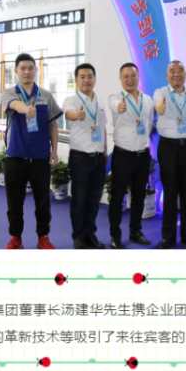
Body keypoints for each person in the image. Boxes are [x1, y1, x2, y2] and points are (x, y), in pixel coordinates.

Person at [1, 53, 62, 249]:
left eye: (30, 68)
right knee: (14, 202)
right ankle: (16, 239)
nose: (26, 72)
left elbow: (53, 124)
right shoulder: (8, 93)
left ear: (36, 70)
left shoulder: (46, 95)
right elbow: (14, 105)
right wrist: (26, 109)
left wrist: (54, 151)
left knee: (43, 202)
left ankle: (43, 237)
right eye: (23, 68)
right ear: (16, 71)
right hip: (15, 157)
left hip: (40, 158)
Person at [153, 60, 186, 249]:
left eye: (180, 70)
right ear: (167, 75)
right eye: (172, 71)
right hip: (168, 147)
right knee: (169, 193)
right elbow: (158, 104)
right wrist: (159, 107)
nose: (176, 74)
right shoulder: (161, 93)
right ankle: (168, 237)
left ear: (185, 75)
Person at [107, 63, 154, 249]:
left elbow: (148, 124)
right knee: (117, 197)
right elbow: (115, 106)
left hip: (142, 155)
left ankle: (135, 231)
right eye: (125, 76)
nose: (129, 79)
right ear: (120, 79)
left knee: (139, 196)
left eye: (133, 75)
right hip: (123, 155)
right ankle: (115, 235)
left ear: (138, 77)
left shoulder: (147, 100)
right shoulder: (115, 98)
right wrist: (119, 107)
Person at [63, 63, 108, 249]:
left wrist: (105, 151)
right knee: (79, 200)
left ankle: (90, 234)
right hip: (80, 158)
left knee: (94, 200)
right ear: (76, 80)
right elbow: (68, 114)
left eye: (89, 76)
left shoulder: (100, 102)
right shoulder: (72, 100)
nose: (86, 80)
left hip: (98, 158)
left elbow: (102, 127)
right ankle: (78, 236)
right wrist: (77, 115)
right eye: (82, 77)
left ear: (94, 79)